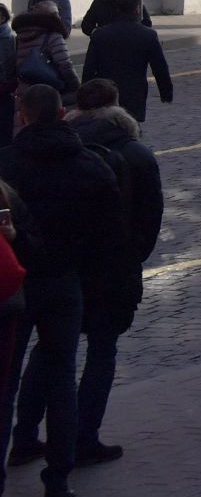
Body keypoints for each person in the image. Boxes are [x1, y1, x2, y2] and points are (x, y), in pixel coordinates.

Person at [17, 81, 160, 468]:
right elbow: (148, 221)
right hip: (109, 270)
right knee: (100, 351)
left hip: (52, 270)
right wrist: (130, 260)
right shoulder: (132, 155)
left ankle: (25, 434)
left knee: (48, 353)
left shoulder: (57, 149)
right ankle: (83, 437)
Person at [0, 84, 123, 497]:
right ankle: (57, 479)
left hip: (14, 283)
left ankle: (7, 466)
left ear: (25, 116)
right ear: (62, 114)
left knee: (7, 380)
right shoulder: (91, 166)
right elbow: (110, 235)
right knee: (60, 378)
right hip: (65, 281)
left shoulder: (8, 163)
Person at [76, 0, 172, 123]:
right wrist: (166, 92)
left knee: (104, 125)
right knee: (131, 128)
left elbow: (89, 67)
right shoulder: (147, 35)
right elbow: (159, 67)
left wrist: (85, 95)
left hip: (105, 91)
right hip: (134, 92)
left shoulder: (100, 34)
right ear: (137, 9)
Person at [12, 4, 77, 102]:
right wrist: (76, 86)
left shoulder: (20, 36)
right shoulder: (53, 36)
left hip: (25, 91)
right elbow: (64, 64)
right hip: (50, 90)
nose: (59, 17)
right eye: (55, 14)